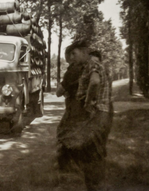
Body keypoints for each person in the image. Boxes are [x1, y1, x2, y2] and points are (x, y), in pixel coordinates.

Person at [57, 40, 113, 191]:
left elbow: (94, 82)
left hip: (98, 113)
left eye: (74, 54)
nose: (72, 58)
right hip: (100, 113)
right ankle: (92, 183)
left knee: (92, 150)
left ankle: (95, 185)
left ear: (84, 52)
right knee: (91, 149)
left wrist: (88, 102)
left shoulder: (92, 64)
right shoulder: (90, 65)